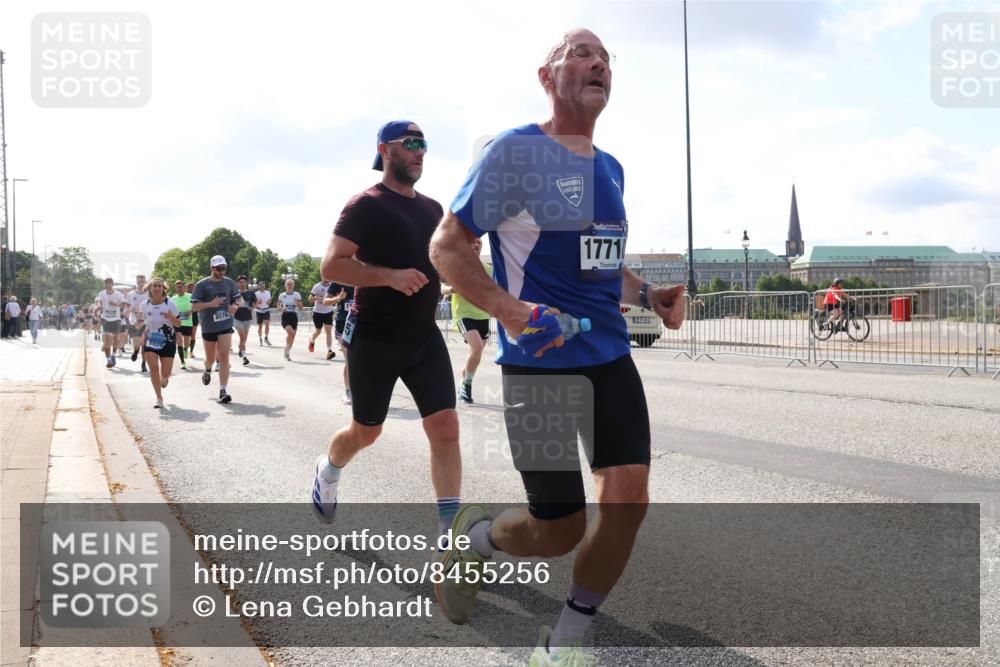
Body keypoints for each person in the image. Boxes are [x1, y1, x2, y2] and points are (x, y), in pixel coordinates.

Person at [428, 29, 687, 664]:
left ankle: (569, 639)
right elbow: (447, 247)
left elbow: (605, 264)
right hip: (537, 365)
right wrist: (511, 311)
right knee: (559, 528)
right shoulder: (516, 154)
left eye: (606, 59)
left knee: (628, 498)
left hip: (609, 357)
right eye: (581, 54)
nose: (599, 63)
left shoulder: (611, 168)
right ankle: (479, 539)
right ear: (547, 78)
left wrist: (648, 294)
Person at [310, 120, 461, 553]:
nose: (420, 152)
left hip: (423, 336)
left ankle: (448, 534)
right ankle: (329, 470)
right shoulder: (366, 204)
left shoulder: (434, 210)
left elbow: (445, 261)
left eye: (424, 145)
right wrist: (389, 277)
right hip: (375, 336)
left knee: (446, 427)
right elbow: (332, 267)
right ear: (385, 150)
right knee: (367, 431)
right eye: (411, 143)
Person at [441, 237, 492, 403]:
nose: (477, 244)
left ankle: (464, 379)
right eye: (473, 242)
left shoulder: (489, 270)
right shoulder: (457, 266)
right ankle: (466, 385)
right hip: (463, 314)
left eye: (479, 242)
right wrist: (451, 289)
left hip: (483, 315)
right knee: (476, 347)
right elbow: (442, 288)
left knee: (475, 353)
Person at [191, 256, 240, 403]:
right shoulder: (201, 285)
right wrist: (210, 304)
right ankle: (207, 370)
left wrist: (236, 307)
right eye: (219, 268)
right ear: (212, 268)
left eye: (224, 268)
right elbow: (194, 307)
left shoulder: (230, 283)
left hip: (225, 325)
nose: (222, 271)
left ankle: (223, 390)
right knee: (211, 359)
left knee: (224, 357)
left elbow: (239, 300)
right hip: (208, 326)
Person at [140, 278, 183, 409]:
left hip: (168, 340)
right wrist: (137, 324)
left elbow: (178, 323)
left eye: (160, 286)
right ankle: (159, 398)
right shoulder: (144, 304)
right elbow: (141, 320)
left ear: (163, 288)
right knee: (153, 369)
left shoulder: (169, 303)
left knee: (165, 374)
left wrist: (170, 317)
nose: (157, 288)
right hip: (151, 338)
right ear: (150, 288)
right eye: (155, 286)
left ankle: (163, 379)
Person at [329, 281, 354, 404]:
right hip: (343, 324)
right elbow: (325, 301)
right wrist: (338, 298)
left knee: (361, 359)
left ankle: (361, 390)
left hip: (361, 323)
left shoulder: (364, 276)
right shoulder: (338, 280)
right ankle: (348, 391)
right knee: (350, 359)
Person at [96, 278, 126, 368]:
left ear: (112, 284)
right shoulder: (101, 293)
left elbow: (123, 305)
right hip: (105, 318)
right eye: (106, 284)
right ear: (104, 284)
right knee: (107, 339)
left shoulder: (118, 294)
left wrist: (116, 304)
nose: (107, 285)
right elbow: (99, 302)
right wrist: (99, 307)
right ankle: (108, 359)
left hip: (116, 319)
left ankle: (113, 355)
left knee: (115, 338)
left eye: (109, 283)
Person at [308, 278, 338, 360]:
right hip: (318, 312)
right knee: (318, 332)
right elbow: (310, 298)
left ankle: (329, 351)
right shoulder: (317, 286)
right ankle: (312, 340)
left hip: (328, 312)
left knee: (328, 331)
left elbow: (335, 298)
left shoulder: (333, 286)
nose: (327, 279)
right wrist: (319, 298)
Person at [277, 279, 303, 361]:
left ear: (293, 285)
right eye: (288, 284)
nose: (290, 286)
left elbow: (301, 307)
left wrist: (297, 304)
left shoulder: (297, 295)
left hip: (293, 316)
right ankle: (287, 348)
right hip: (285, 315)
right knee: (290, 332)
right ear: (285, 285)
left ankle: (287, 351)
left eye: (291, 284)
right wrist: (281, 308)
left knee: (292, 336)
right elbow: (278, 306)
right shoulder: (282, 295)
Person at [233, 275, 257, 366]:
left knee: (244, 339)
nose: (242, 284)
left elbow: (255, 304)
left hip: (248, 319)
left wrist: (253, 308)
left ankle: (240, 349)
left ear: (246, 283)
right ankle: (244, 357)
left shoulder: (251, 293)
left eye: (244, 282)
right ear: (237, 284)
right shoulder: (235, 294)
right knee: (242, 338)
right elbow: (231, 305)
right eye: (240, 282)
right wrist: (236, 306)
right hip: (238, 318)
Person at [127, 275, 149, 373]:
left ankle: (143, 363)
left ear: (145, 282)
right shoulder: (130, 294)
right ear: (136, 281)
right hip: (133, 321)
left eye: (142, 281)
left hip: (145, 322)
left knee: (144, 345)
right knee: (137, 345)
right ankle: (136, 351)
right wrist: (131, 309)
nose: (141, 282)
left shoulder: (148, 294)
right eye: (139, 281)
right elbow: (128, 306)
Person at [171, 280, 193, 370]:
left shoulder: (190, 296)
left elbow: (195, 305)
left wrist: (190, 311)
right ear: (176, 289)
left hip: (187, 322)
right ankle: (182, 362)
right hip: (177, 323)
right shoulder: (173, 299)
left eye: (181, 287)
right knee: (179, 340)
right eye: (177, 287)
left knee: (187, 341)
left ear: (184, 288)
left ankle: (185, 349)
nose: (179, 289)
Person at [254, 280, 272, 346]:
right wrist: (257, 302)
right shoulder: (256, 294)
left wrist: (269, 302)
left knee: (267, 323)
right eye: (261, 285)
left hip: (266, 310)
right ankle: (260, 339)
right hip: (259, 310)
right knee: (260, 326)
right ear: (259, 286)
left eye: (263, 285)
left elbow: (270, 300)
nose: (262, 286)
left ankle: (266, 338)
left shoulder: (268, 292)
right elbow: (254, 304)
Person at [187, 282, 199, 358]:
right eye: (189, 287)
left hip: (194, 317)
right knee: (186, 335)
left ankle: (191, 352)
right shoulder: (184, 296)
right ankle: (185, 347)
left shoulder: (197, 296)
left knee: (193, 336)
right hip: (185, 318)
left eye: (192, 287)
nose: (191, 288)